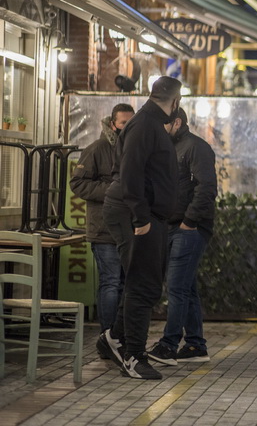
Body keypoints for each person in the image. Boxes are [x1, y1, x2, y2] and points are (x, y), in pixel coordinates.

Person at [96, 76, 181, 380]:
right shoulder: (145, 124)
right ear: (176, 101)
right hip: (135, 214)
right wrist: (141, 217)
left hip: (145, 214)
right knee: (143, 284)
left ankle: (114, 339)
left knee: (144, 282)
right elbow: (130, 171)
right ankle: (134, 355)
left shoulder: (150, 123)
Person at [147, 108, 217, 366]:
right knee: (186, 287)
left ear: (177, 122)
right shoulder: (169, 147)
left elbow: (207, 187)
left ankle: (169, 345)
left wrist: (190, 221)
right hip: (172, 225)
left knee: (176, 287)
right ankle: (196, 345)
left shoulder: (196, 147)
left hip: (189, 228)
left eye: (163, 124)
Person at [70, 103, 135, 337]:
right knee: (111, 282)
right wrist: (112, 191)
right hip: (104, 230)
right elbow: (77, 183)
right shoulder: (97, 149)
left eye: (131, 123)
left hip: (129, 230)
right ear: (112, 124)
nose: (128, 127)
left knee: (126, 284)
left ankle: (121, 334)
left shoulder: (136, 149)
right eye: (124, 123)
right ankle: (107, 336)